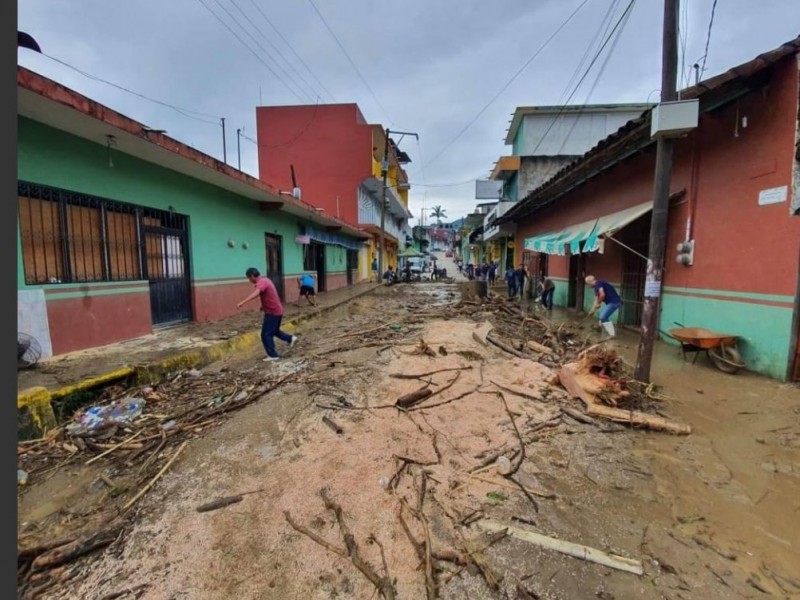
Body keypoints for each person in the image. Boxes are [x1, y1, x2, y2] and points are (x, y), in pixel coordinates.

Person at [237, 267, 297, 361]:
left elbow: (257, 293)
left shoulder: (261, 283)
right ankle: (290, 338)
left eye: (249, 278)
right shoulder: (266, 280)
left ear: (252, 276)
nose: (249, 280)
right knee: (274, 331)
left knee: (265, 334)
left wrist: (243, 302)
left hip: (273, 312)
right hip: (276, 310)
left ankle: (273, 355)